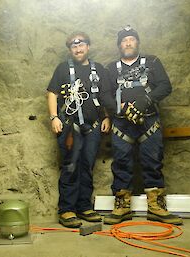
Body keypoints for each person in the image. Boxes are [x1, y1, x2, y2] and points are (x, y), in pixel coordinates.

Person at [103, 25, 183, 225]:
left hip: (149, 122)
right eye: (124, 40)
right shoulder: (111, 68)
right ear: (119, 45)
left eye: (131, 39)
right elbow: (104, 94)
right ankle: (122, 207)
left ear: (137, 42)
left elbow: (165, 86)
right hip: (122, 125)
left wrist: (144, 101)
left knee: (153, 162)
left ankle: (157, 208)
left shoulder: (153, 62)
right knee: (121, 163)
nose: (128, 43)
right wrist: (118, 108)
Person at [47, 31, 112, 228]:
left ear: (88, 47)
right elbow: (52, 94)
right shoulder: (62, 69)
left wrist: (107, 117)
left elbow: (105, 96)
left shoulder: (98, 69)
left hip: (92, 127)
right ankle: (67, 209)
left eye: (81, 45)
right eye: (74, 46)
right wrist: (54, 117)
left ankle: (84, 206)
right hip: (70, 127)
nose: (78, 49)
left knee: (87, 166)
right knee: (71, 166)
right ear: (70, 50)